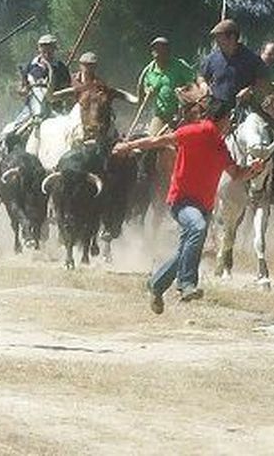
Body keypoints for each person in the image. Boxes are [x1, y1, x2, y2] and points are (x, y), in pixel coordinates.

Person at [112, 100, 265, 313]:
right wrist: (128, 146)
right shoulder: (196, 131)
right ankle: (186, 284)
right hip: (182, 201)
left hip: (204, 206)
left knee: (186, 250)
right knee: (198, 228)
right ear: (221, 119)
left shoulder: (221, 145)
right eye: (229, 118)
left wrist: (253, 169)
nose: (231, 122)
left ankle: (156, 285)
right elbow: (159, 140)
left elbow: (237, 174)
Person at [1, 34, 71, 144]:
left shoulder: (61, 68)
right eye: (44, 48)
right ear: (39, 48)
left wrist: (55, 95)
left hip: (55, 109)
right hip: (31, 109)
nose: (47, 52)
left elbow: (67, 90)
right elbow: (24, 87)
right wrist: (22, 91)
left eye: (50, 48)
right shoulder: (30, 66)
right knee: (12, 132)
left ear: (54, 48)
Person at [197, 19, 265, 113]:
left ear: (232, 37)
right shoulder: (212, 58)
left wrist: (250, 91)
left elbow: (263, 82)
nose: (217, 41)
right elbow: (201, 76)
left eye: (220, 38)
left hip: (242, 112)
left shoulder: (252, 59)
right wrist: (203, 84)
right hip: (215, 109)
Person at [139, 36, 198, 137]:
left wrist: (184, 91)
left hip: (183, 115)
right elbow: (145, 88)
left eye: (163, 50)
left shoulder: (179, 65)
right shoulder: (149, 71)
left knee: (185, 140)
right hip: (161, 115)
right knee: (152, 142)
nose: (160, 53)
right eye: (156, 50)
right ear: (152, 53)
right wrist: (148, 90)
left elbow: (194, 82)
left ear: (168, 52)